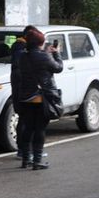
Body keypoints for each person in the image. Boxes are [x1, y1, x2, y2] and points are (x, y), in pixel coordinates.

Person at [18, 29, 63, 170]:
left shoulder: (22, 56)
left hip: (26, 97)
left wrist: (47, 53)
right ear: (40, 43)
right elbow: (58, 68)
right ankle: (37, 160)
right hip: (41, 98)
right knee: (40, 129)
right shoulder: (44, 56)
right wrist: (56, 53)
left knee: (28, 128)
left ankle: (26, 159)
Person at [10, 25, 38, 158]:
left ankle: (26, 151)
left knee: (25, 120)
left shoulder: (19, 48)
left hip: (20, 88)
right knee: (26, 120)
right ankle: (24, 151)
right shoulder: (21, 49)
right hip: (23, 89)